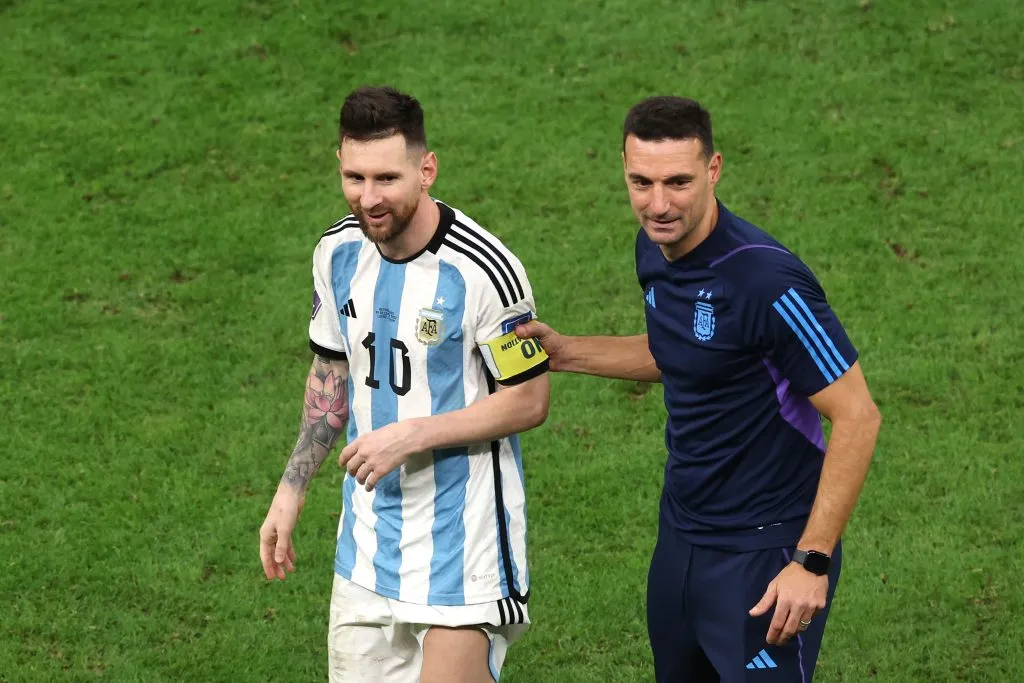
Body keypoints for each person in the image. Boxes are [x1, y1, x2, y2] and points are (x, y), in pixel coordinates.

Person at [514, 96, 881, 682]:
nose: (658, 204)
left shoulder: (766, 281)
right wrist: (567, 353)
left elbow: (858, 415)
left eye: (678, 182)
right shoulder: (654, 248)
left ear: (714, 170)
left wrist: (812, 561)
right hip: (682, 537)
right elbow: (682, 352)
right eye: (641, 181)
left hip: (765, 550)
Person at [259, 85, 550, 683]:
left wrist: (409, 435)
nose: (369, 198)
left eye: (387, 178)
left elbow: (529, 400)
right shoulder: (336, 253)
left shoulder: (487, 270)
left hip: (462, 548)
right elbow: (330, 374)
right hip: (366, 547)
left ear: (427, 168)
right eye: (354, 177)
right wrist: (291, 489)